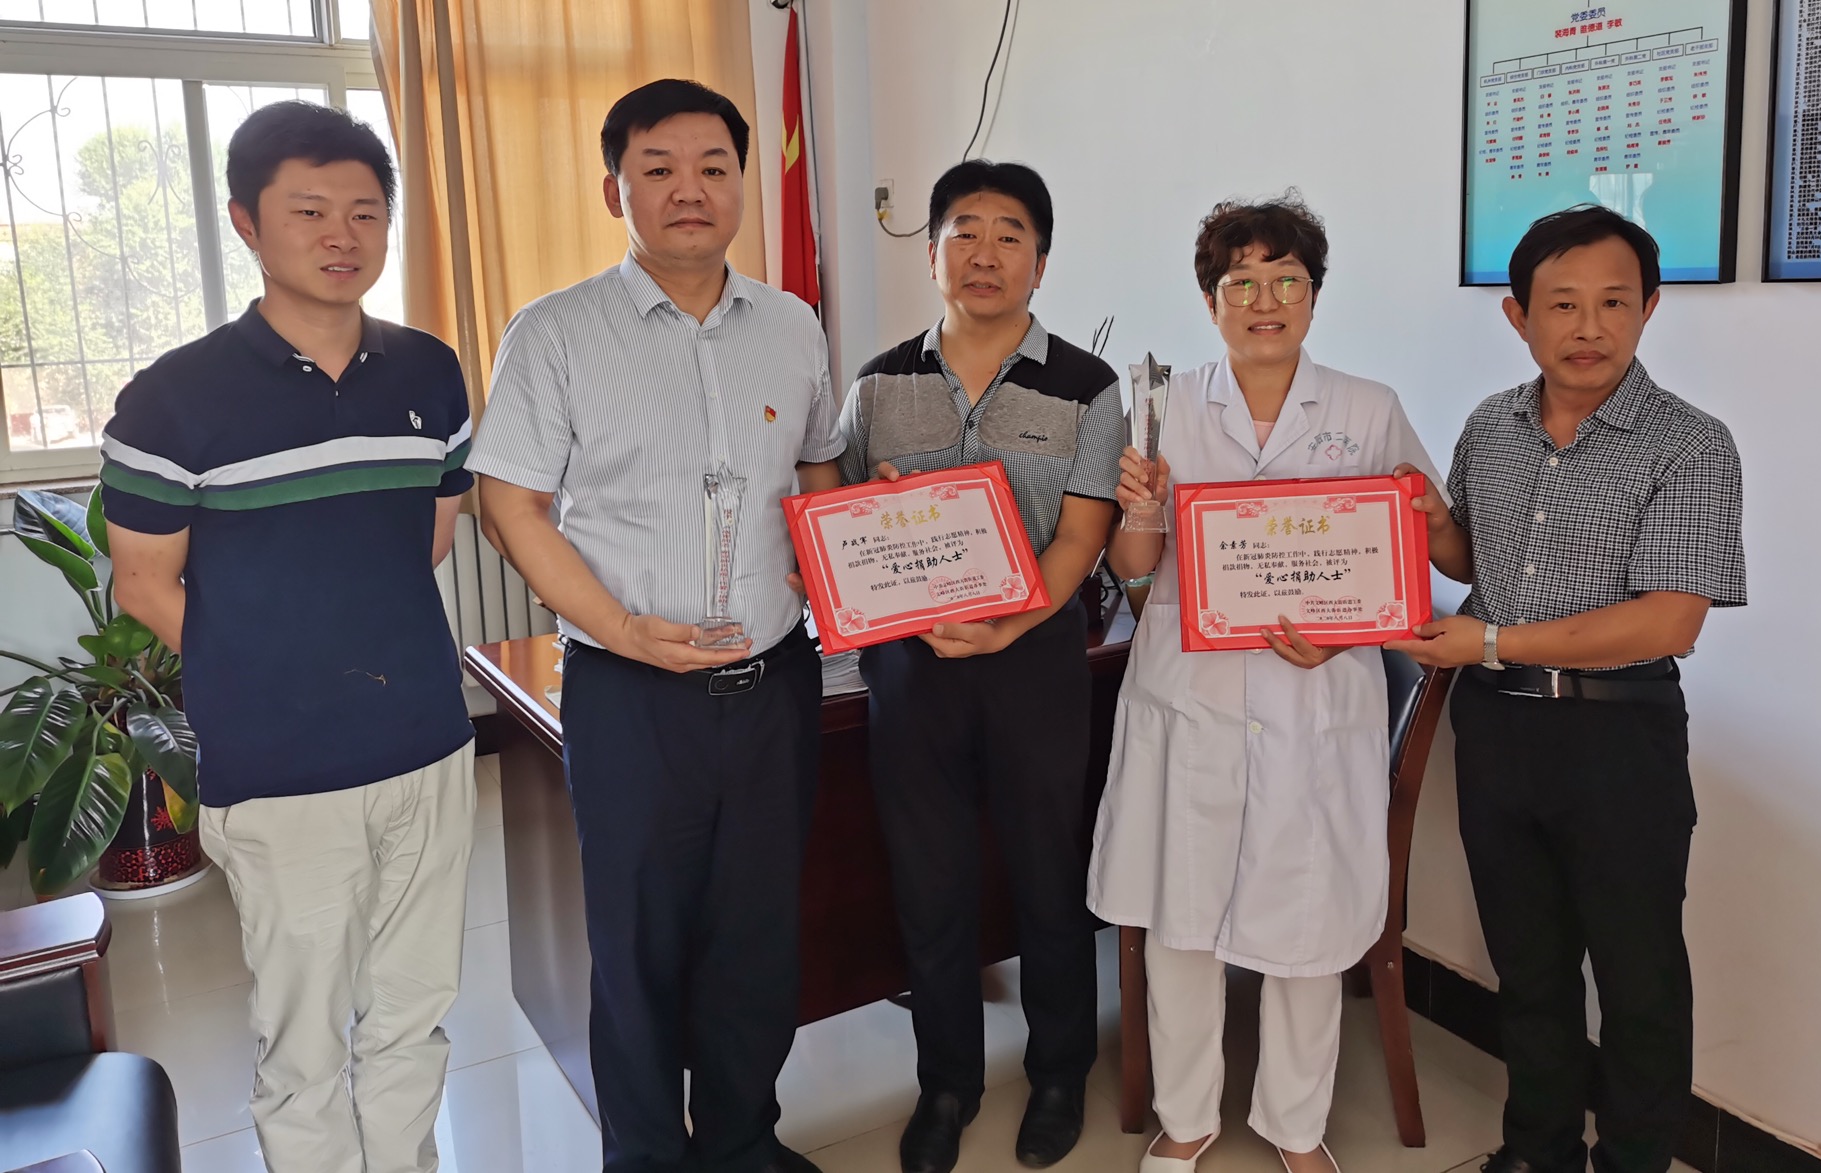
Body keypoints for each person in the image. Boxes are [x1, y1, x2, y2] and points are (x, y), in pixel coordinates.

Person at [468, 79, 840, 1173]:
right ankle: (643, 1156)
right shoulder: (554, 332)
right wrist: (621, 627)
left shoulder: (792, 325)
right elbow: (509, 505)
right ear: (614, 189)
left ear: (741, 184)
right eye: (658, 169)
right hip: (631, 695)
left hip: (773, 684)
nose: (690, 190)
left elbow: (817, 467)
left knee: (756, 938)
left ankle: (741, 1140)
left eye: (714, 167)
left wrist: (837, 569)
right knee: (636, 947)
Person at [102, 101, 476, 1173]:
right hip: (281, 767)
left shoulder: (429, 371)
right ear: (246, 222)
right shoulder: (174, 398)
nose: (341, 235)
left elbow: (430, 539)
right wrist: (279, 667)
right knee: (304, 1036)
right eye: (309, 210)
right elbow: (144, 584)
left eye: (365, 212)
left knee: (415, 1009)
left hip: (428, 742)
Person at [1087, 194, 1463, 1173]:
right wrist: (1141, 506)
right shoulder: (1165, 408)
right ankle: (1186, 1117)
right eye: (1240, 283)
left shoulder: (1367, 408)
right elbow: (1134, 571)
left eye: (1284, 280)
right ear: (1209, 300)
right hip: (1191, 697)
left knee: (1308, 916)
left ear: (1313, 294)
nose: (1263, 301)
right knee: (1180, 919)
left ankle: (1297, 1126)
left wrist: (1388, 567)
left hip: (1317, 700)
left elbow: (1425, 556)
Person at [1386, 205, 1745, 1173]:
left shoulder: (1689, 443)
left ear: (1648, 308)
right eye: (1562, 304)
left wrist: (1488, 640)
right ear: (1517, 316)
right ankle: (1535, 1150)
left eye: (1613, 303)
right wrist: (1427, 524)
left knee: (1637, 981)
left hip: (1617, 736)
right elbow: (1478, 559)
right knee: (1528, 967)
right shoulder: (1489, 426)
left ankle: (1632, 1160)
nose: (1588, 328)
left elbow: (1668, 621)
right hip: (1497, 729)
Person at [837, 160, 1124, 1173]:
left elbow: (1082, 537)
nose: (985, 253)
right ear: (931, 254)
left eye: (1010, 235)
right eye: (964, 231)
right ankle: (946, 1084)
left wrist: (1006, 629)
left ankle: (1059, 1073)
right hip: (911, 666)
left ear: (1039, 261)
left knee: (1047, 876)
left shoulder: (1088, 385)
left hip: (1033, 657)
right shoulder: (876, 384)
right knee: (930, 883)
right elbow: (839, 515)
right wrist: (865, 510)